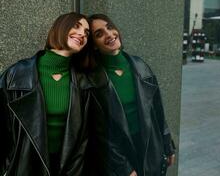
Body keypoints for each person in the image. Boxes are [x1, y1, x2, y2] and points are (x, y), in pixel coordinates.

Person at [0, 12, 94, 176]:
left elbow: (83, 141)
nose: (82, 34)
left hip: (65, 169)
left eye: (86, 33)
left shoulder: (83, 83)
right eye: (77, 26)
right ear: (61, 27)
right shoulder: (16, 75)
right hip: (23, 167)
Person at [87, 14, 176, 176]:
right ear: (94, 45)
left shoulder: (140, 66)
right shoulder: (93, 79)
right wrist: (124, 168)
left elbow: (158, 110)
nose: (109, 34)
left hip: (150, 147)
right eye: (99, 34)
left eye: (110, 27)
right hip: (118, 154)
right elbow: (99, 132)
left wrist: (167, 145)